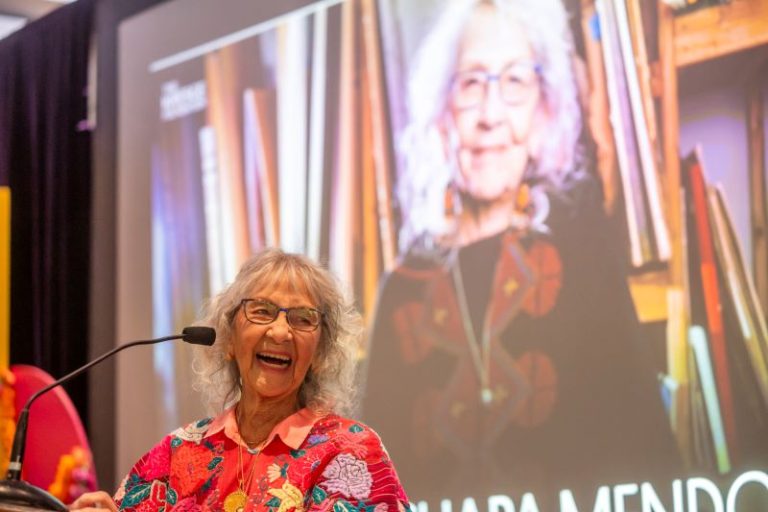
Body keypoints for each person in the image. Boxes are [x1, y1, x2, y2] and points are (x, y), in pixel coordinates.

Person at [363, 0, 679, 505]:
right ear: (441, 113)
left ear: (543, 114)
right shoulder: (401, 287)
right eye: (470, 84)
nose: (491, 115)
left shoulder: (585, 262)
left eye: (515, 82)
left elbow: (651, 466)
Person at [70, 249, 410, 512]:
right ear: (229, 340)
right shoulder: (177, 452)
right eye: (261, 311)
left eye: (302, 319)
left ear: (320, 354)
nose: (280, 331)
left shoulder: (351, 451)